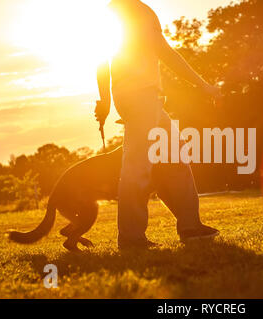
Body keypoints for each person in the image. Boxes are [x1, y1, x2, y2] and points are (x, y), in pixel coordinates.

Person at [95, 0, 221, 249]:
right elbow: (165, 52)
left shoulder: (116, 9)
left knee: (175, 160)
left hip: (143, 98)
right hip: (142, 96)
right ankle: (131, 238)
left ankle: (190, 226)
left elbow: (102, 62)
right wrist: (202, 84)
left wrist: (106, 101)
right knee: (138, 168)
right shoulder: (138, 11)